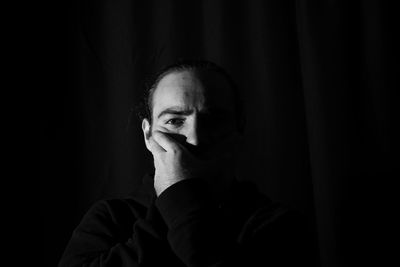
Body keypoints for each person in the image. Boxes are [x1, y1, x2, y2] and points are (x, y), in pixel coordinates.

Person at [59, 60, 318, 267]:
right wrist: (171, 205)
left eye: (213, 120)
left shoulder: (279, 226)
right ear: (148, 135)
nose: (194, 138)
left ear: (238, 131)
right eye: (174, 121)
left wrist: (180, 199)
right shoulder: (111, 219)